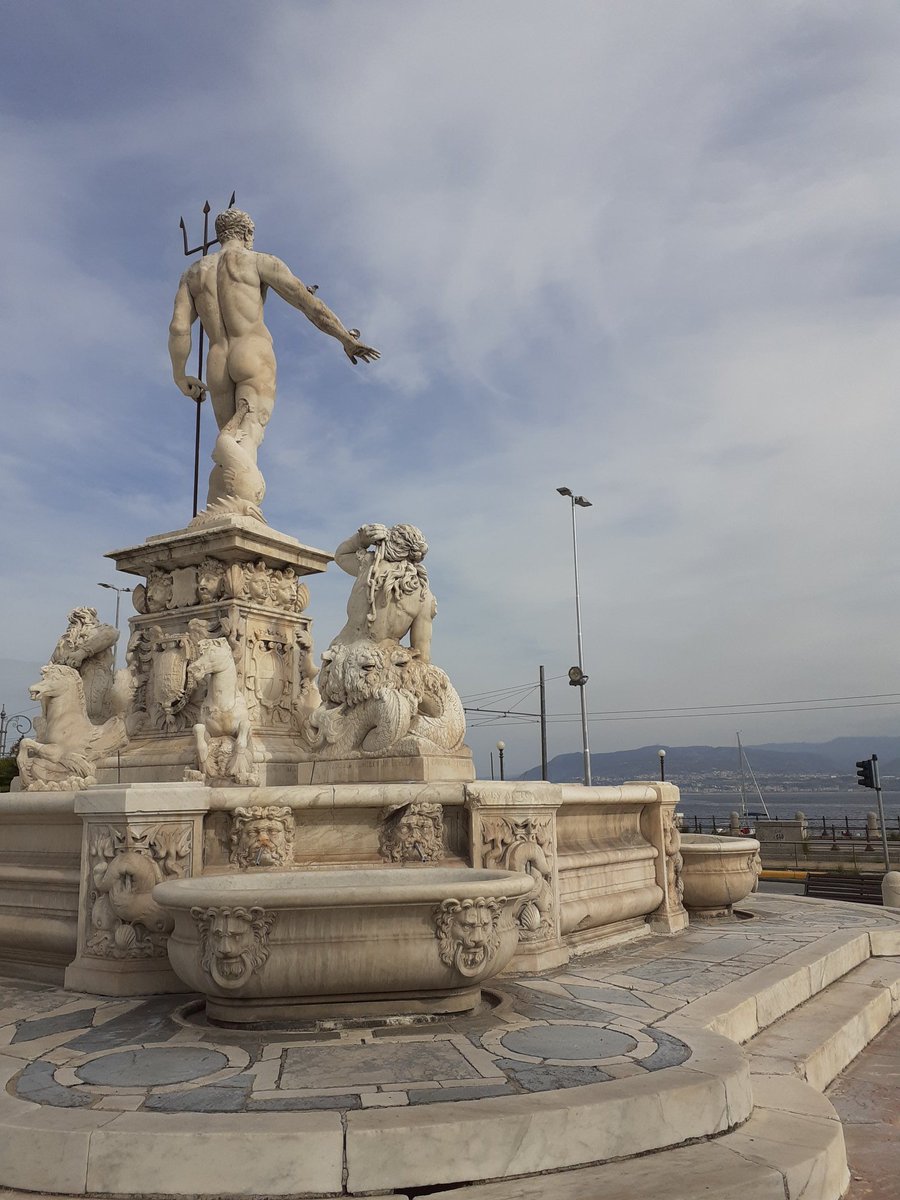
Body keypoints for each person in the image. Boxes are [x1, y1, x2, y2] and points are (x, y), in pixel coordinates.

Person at [168, 209, 379, 520]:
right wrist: (345, 337)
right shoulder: (257, 261)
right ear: (248, 235)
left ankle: (217, 511)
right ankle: (241, 511)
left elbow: (179, 328)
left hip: (217, 359)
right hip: (252, 352)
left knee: (230, 441)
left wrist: (180, 375)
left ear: (220, 234)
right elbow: (309, 304)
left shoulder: (193, 274)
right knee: (248, 434)